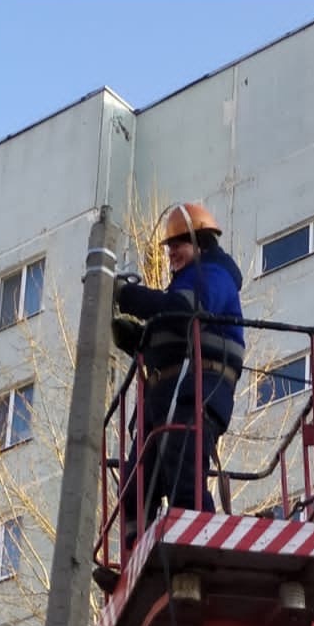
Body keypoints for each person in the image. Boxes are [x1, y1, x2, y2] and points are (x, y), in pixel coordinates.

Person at [113, 202, 244, 536]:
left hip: (197, 389)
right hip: (166, 396)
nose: (171, 253)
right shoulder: (185, 283)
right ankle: (133, 554)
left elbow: (185, 311)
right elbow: (178, 332)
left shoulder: (213, 275)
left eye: (178, 245)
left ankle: (202, 543)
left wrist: (128, 296)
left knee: (184, 472)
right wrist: (141, 341)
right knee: (134, 488)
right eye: (169, 246)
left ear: (201, 243)